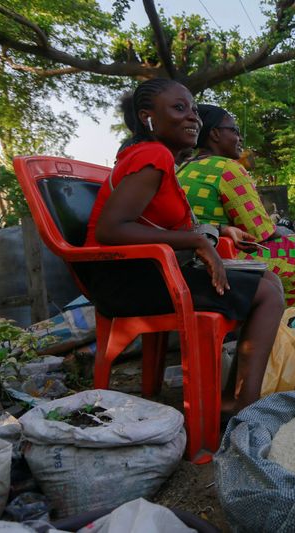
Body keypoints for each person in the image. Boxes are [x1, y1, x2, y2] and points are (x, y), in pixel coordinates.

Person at [80, 79, 284, 414]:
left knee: (269, 281)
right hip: (127, 280)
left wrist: (216, 231)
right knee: (268, 294)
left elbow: (159, 221)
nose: (193, 118)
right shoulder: (153, 156)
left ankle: (236, 393)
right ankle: (241, 402)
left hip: (145, 270)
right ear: (148, 118)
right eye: (179, 108)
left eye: (193, 109)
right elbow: (111, 229)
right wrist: (194, 241)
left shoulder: (158, 159)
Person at [176, 104, 295, 309]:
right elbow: (259, 232)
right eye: (235, 131)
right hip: (220, 256)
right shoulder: (228, 168)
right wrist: (284, 232)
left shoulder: (185, 167)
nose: (240, 139)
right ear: (214, 134)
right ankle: (293, 318)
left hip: (192, 252)